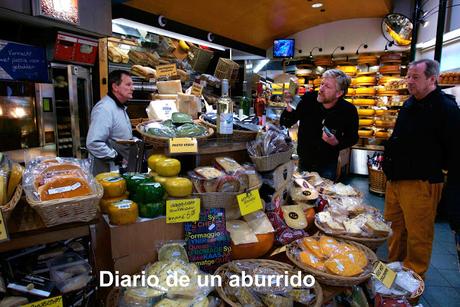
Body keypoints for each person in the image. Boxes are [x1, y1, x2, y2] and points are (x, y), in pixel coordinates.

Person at [383, 59, 460, 278]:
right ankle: (391, 278)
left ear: (432, 79)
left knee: (418, 237)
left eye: (415, 77)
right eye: (408, 76)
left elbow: (455, 151)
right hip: (396, 179)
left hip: (421, 182)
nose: (409, 81)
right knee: (394, 230)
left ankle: (412, 287)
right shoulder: (410, 103)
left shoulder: (446, 108)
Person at [280, 69, 359, 180]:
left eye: (327, 86)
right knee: (303, 195)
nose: (321, 89)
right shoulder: (308, 99)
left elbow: (353, 138)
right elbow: (286, 122)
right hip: (304, 162)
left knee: (324, 195)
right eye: (322, 84)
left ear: (339, 93)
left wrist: (337, 142)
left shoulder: (348, 110)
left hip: (327, 165)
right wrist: (289, 106)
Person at [86, 70, 134, 175]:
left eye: (132, 85)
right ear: (115, 87)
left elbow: (119, 135)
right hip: (107, 172)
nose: (132, 88)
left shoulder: (119, 107)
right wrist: (117, 157)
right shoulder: (104, 108)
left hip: (119, 169)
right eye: (128, 84)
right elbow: (93, 143)